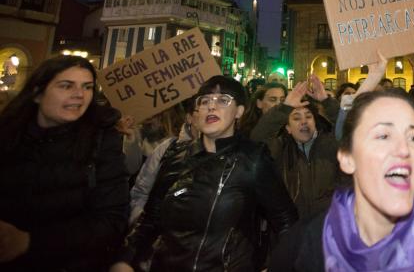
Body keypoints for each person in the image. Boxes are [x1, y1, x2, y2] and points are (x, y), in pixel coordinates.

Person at [269, 89, 414, 271]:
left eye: (413, 138)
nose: (403, 150)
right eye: (383, 137)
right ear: (347, 159)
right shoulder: (303, 246)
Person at [112, 76, 298, 272]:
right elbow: (150, 218)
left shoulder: (253, 159)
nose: (211, 106)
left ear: (239, 111)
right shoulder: (174, 156)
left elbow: (286, 221)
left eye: (222, 100)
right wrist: (124, 258)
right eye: (205, 100)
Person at [0, 55, 128, 271]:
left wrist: (30, 242)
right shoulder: (7, 136)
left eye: (87, 87)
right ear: (38, 93)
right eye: (66, 86)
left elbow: (112, 220)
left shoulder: (102, 141)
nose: (79, 94)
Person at [250, 75, 342, 219]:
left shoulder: (331, 145)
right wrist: (285, 108)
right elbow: (257, 138)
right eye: (296, 118)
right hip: (293, 230)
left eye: (308, 116)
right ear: (287, 128)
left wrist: (326, 101)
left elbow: (351, 128)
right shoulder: (280, 148)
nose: (303, 122)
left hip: (328, 227)